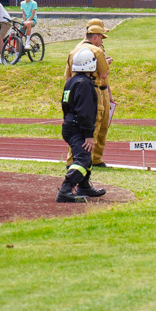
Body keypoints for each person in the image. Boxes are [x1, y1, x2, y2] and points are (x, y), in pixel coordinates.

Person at [57, 48, 106, 202]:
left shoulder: (71, 81)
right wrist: (88, 135)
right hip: (78, 128)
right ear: (90, 66)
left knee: (86, 156)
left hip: (70, 125)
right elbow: (85, 112)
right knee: (83, 159)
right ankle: (65, 189)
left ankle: (84, 185)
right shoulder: (85, 84)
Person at [65, 22, 112, 171]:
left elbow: (68, 78)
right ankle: (79, 161)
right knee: (93, 125)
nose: (102, 41)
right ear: (95, 36)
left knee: (83, 125)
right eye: (101, 37)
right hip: (93, 89)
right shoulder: (95, 51)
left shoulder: (74, 51)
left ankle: (89, 159)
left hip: (79, 89)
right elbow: (104, 73)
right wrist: (106, 63)